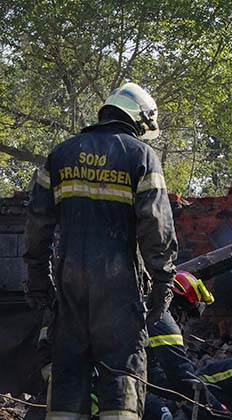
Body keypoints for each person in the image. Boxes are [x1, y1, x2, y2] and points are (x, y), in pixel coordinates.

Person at [23, 82, 178, 420]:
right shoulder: (139, 155)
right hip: (119, 292)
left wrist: (39, 282)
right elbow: (157, 227)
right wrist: (163, 285)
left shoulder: (61, 155)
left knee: (66, 380)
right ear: (139, 119)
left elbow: (37, 226)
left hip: (70, 289)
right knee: (121, 380)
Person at [145, 271, 223, 420]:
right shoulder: (160, 319)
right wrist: (220, 411)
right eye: (189, 314)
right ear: (180, 306)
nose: (185, 322)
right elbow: (181, 373)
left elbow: (152, 372)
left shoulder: (148, 308)